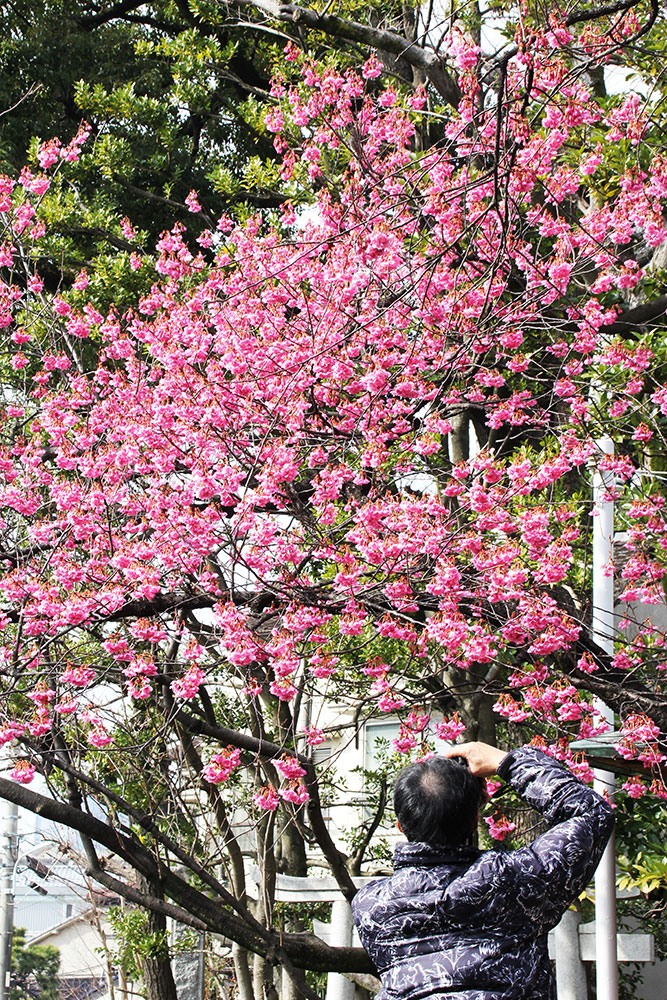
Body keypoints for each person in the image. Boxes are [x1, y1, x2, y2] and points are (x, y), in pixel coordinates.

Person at [351, 741, 614, 1000]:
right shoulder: (512, 880)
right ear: (476, 819)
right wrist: (507, 762)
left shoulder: (370, 906)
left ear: (399, 824)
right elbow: (592, 813)